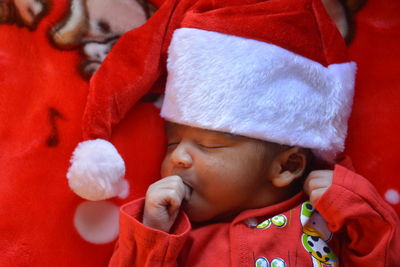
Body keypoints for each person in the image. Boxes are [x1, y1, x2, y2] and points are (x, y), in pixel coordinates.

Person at [65, 0, 400, 265]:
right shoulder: (182, 243)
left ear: (287, 167)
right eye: (172, 142)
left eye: (210, 146)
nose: (178, 157)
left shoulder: (328, 222)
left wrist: (358, 206)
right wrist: (153, 232)